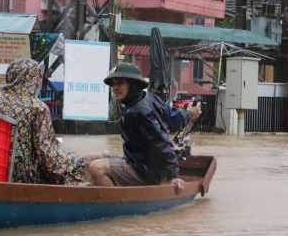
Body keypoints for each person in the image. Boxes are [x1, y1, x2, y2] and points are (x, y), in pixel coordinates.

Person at [84, 63, 201, 194]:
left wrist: (173, 176)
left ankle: (113, 203)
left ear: (133, 85)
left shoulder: (138, 112)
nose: (115, 88)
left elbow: (162, 143)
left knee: (96, 168)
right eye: (113, 84)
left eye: (120, 83)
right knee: (88, 159)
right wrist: (189, 113)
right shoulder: (149, 97)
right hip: (134, 161)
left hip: (148, 171)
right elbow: (173, 118)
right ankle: (94, 193)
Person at [0, 58, 85, 185]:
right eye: (38, 77)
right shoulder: (37, 106)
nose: (39, 81)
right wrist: (65, 170)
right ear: (31, 78)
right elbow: (45, 152)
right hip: (23, 174)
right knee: (78, 161)